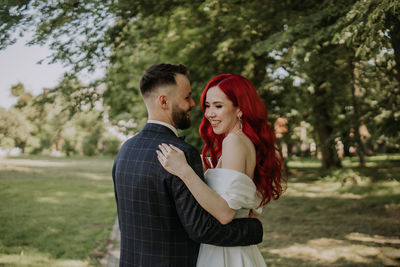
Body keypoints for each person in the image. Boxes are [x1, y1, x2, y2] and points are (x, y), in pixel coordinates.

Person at [112, 64, 264, 267]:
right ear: (164, 101)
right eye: (187, 98)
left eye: (216, 106)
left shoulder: (126, 150)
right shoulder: (180, 153)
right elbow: (202, 229)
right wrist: (254, 228)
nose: (194, 104)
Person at [157, 74, 284, 267]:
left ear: (240, 109)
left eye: (218, 106)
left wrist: (184, 170)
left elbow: (225, 214)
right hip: (234, 248)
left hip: (225, 254)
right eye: (207, 106)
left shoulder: (234, 142)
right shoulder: (242, 141)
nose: (209, 114)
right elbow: (249, 209)